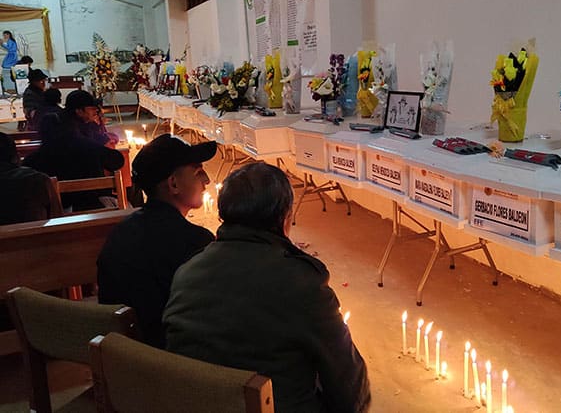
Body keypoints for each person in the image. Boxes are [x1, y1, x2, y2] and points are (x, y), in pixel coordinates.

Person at [164, 163, 371, 413]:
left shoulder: (186, 272)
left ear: (223, 216)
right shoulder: (301, 282)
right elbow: (350, 391)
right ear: (286, 219)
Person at [97, 135, 217, 348]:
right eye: (198, 172)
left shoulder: (122, 230)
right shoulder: (194, 241)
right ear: (173, 184)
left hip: (122, 352)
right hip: (168, 360)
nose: (206, 180)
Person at [23, 113, 125, 211]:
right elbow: (118, 161)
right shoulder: (88, 147)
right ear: (73, 128)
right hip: (94, 207)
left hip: (56, 215)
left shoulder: (33, 160)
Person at [0, 132, 61, 225]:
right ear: (15, 156)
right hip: (33, 237)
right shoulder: (37, 179)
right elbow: (57, 220)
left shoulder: (35, 178)